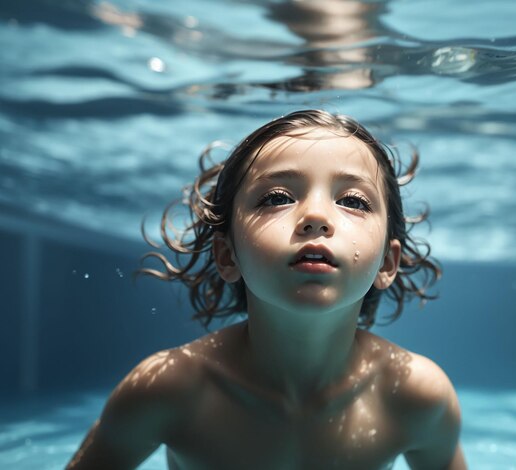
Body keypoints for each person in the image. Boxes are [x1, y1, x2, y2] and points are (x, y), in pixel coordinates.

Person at [67, 109, 466, 469]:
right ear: (227, 255)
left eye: (353, 200)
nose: (315, 216)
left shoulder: (415, 397)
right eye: (277, 198)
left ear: (387, 262)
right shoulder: (168, 391)